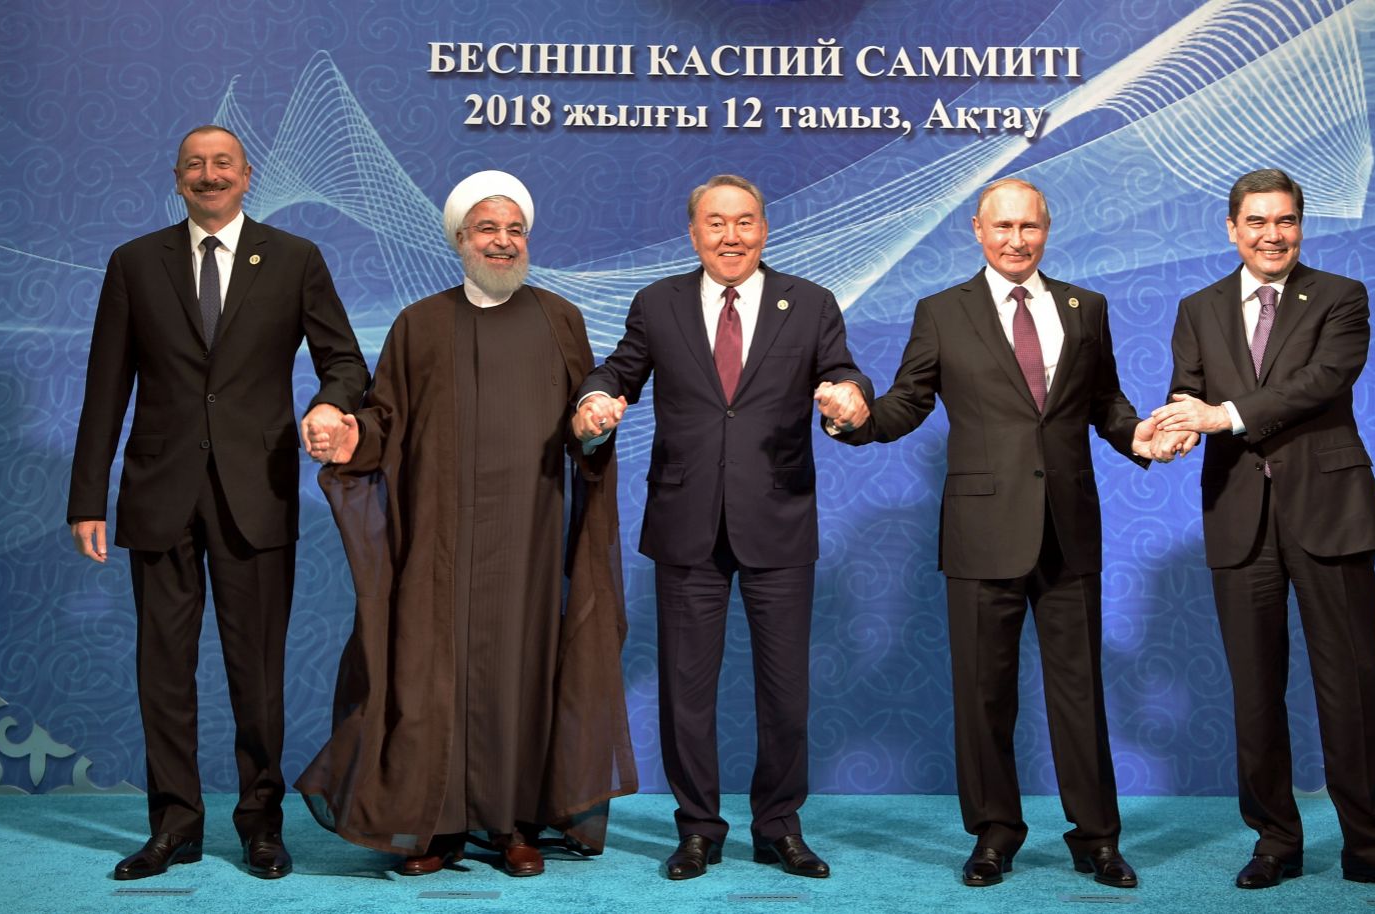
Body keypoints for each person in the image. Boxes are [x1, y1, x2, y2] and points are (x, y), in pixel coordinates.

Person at [834, 177, 1186, 889]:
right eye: (1002, 228)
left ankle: (1098, 838)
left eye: (1029, 227)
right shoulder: (941, 311)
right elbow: (908, 402)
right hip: (980, 531)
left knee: (1079, 692)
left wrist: (1140, 437)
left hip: (1069, 528)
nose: (1016, 240)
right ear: (976, 230)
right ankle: (994, 833)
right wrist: (854, 416)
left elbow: (1106, 403)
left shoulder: (1087, 308)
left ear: (1047, 230)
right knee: (984, 692)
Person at [295, 170, 637, 879]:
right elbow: (384, 420)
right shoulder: (418, 323)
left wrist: (595, 432)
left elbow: (586, 425)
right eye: (488, 229)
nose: (503, 242)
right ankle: (434, 824)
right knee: (426, 675)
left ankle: (515, 824)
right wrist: (348, 436)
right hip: (437, 539)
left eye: (515, 231)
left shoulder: (559, 318)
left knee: (522, 672)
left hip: (529, 542)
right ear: (459, 239)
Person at [68, 124, 368, 880]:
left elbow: (345, 360)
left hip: (256, 495)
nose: (209, 175)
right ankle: (174, 824)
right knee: (161, 672)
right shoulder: (135, 263)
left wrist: (331, 407)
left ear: (247, 175)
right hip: (156, 493)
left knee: (256, 673)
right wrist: (87, 498)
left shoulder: (295, 258)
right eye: (195, 165)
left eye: (222, 164)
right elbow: (106, 386)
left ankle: (261, 826)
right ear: (177, 179)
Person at [1150, 168, 1375, 899]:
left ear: (1302, 226)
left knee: (1350, 687)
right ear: (1232, 229)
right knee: (1255, 693)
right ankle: (1275, 841)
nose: (1271, 235)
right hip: (1237, 518)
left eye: (1285, 221)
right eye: (1256, 222)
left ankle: (1371, 848)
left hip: (1331, 513)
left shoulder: (1341, 297)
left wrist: (1225, 416)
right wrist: (1171, 429)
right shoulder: (1198, 307)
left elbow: (1323, 381)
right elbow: (1186, 389)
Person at [572, 175, 871, 881]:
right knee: (686, 689)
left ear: (765, 228)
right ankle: (698, 828)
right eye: (715, 224)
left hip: (779, 518)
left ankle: (778, 826)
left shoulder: (812, 304)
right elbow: (618, 371)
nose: (730, 236)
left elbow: (844, 376)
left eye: (743, 222)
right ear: (694, 234)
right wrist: (593, 403)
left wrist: (848, 402)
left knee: (785, 690)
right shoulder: (659, 303)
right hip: (686, 524)